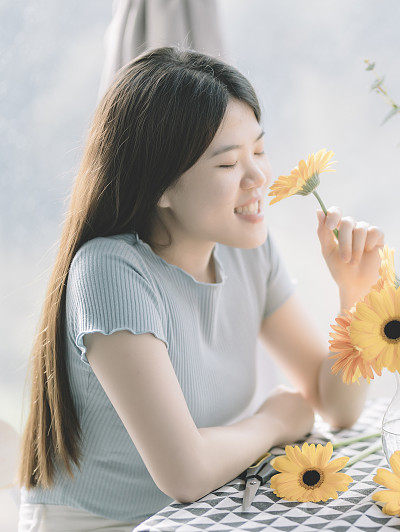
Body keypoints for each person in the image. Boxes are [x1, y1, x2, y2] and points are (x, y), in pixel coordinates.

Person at [16, 46, 379, 531]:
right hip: (108, 524)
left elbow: (336, 404)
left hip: (205, 514)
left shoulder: (247, 249)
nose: (259, 178)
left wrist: (354, 299)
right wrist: (273, 422)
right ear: (160, 186)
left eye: (260, 150)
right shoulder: (109, 272)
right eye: (228, 165)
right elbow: (184, 473)